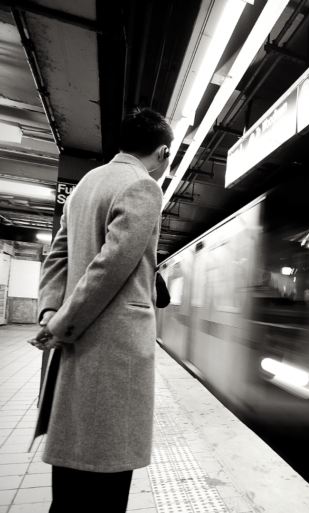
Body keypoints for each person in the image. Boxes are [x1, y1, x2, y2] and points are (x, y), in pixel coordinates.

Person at [29, 108, 173, 512]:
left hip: (76, 356)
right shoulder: (142, 186)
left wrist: (49, 312)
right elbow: (110, 267)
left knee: (72, 481)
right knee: (105, 483)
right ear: (163, 152)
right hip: (111, 357)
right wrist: (63, 325)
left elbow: (57, 255)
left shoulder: (85, 185)